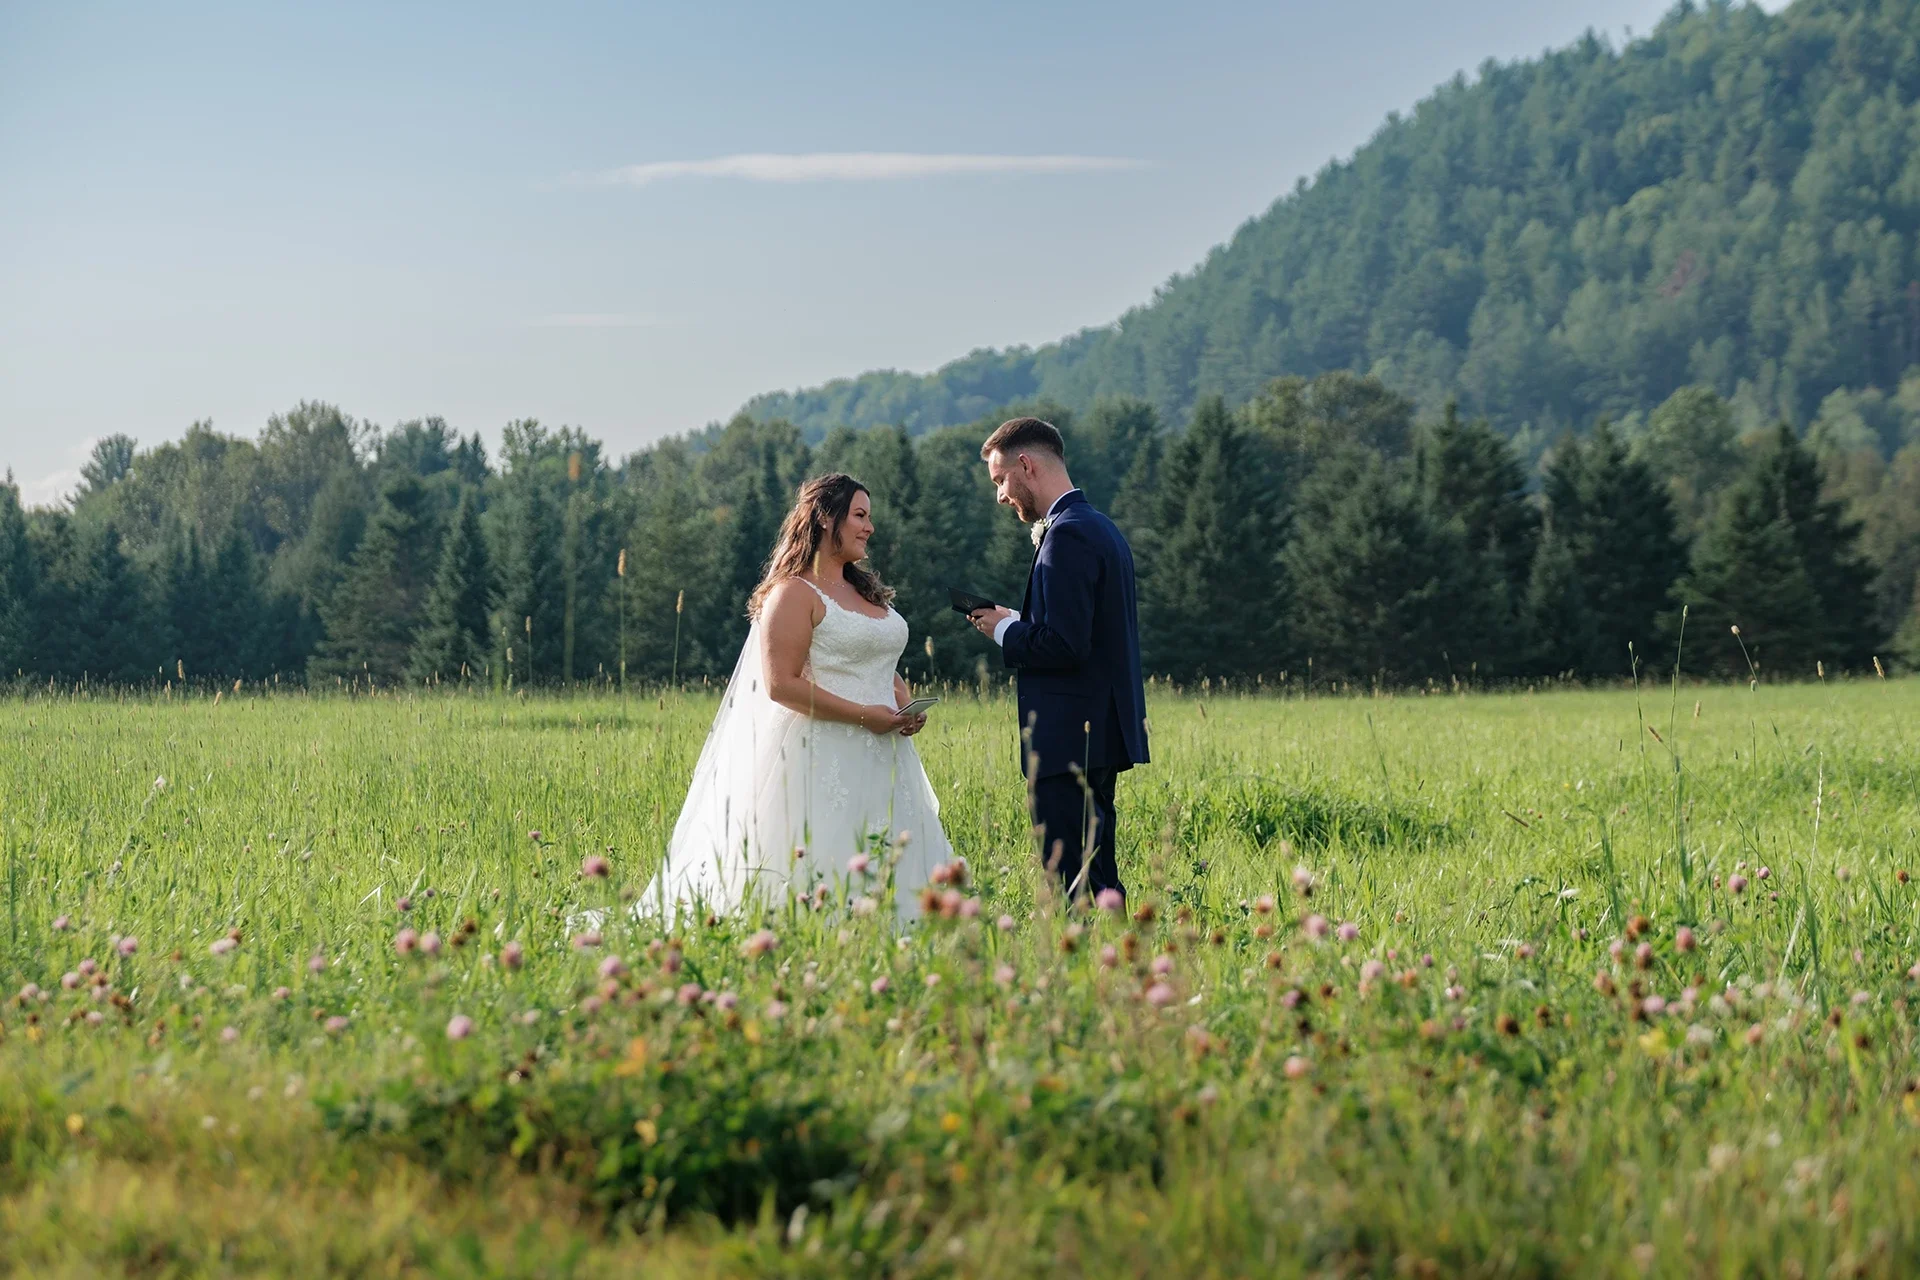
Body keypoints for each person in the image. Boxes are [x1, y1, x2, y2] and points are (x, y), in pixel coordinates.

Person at [642, 473, 950, 920]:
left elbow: (876, 656)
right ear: (827, 519)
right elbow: (781, 683)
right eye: (860, 516)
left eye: (869, 517)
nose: (870, 527)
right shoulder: (792, 593)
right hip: (819, 752)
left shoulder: (863, 589)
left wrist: (902, 703)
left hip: (886, 753)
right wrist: (866, 715)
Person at [967, 417, 1149, 903]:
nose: (1001, 495)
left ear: (1026, 464)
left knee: (1075, 884)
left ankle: (1088, 974)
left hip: (1069, 737)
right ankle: (1118, 969)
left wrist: (1003, 630)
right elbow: (1079, 631)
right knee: (1099, 879)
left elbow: (1066, 645)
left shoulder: (1066, 535)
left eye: (1000, 479)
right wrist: (1019, 619)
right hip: (1096, 736)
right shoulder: (1098, 526)